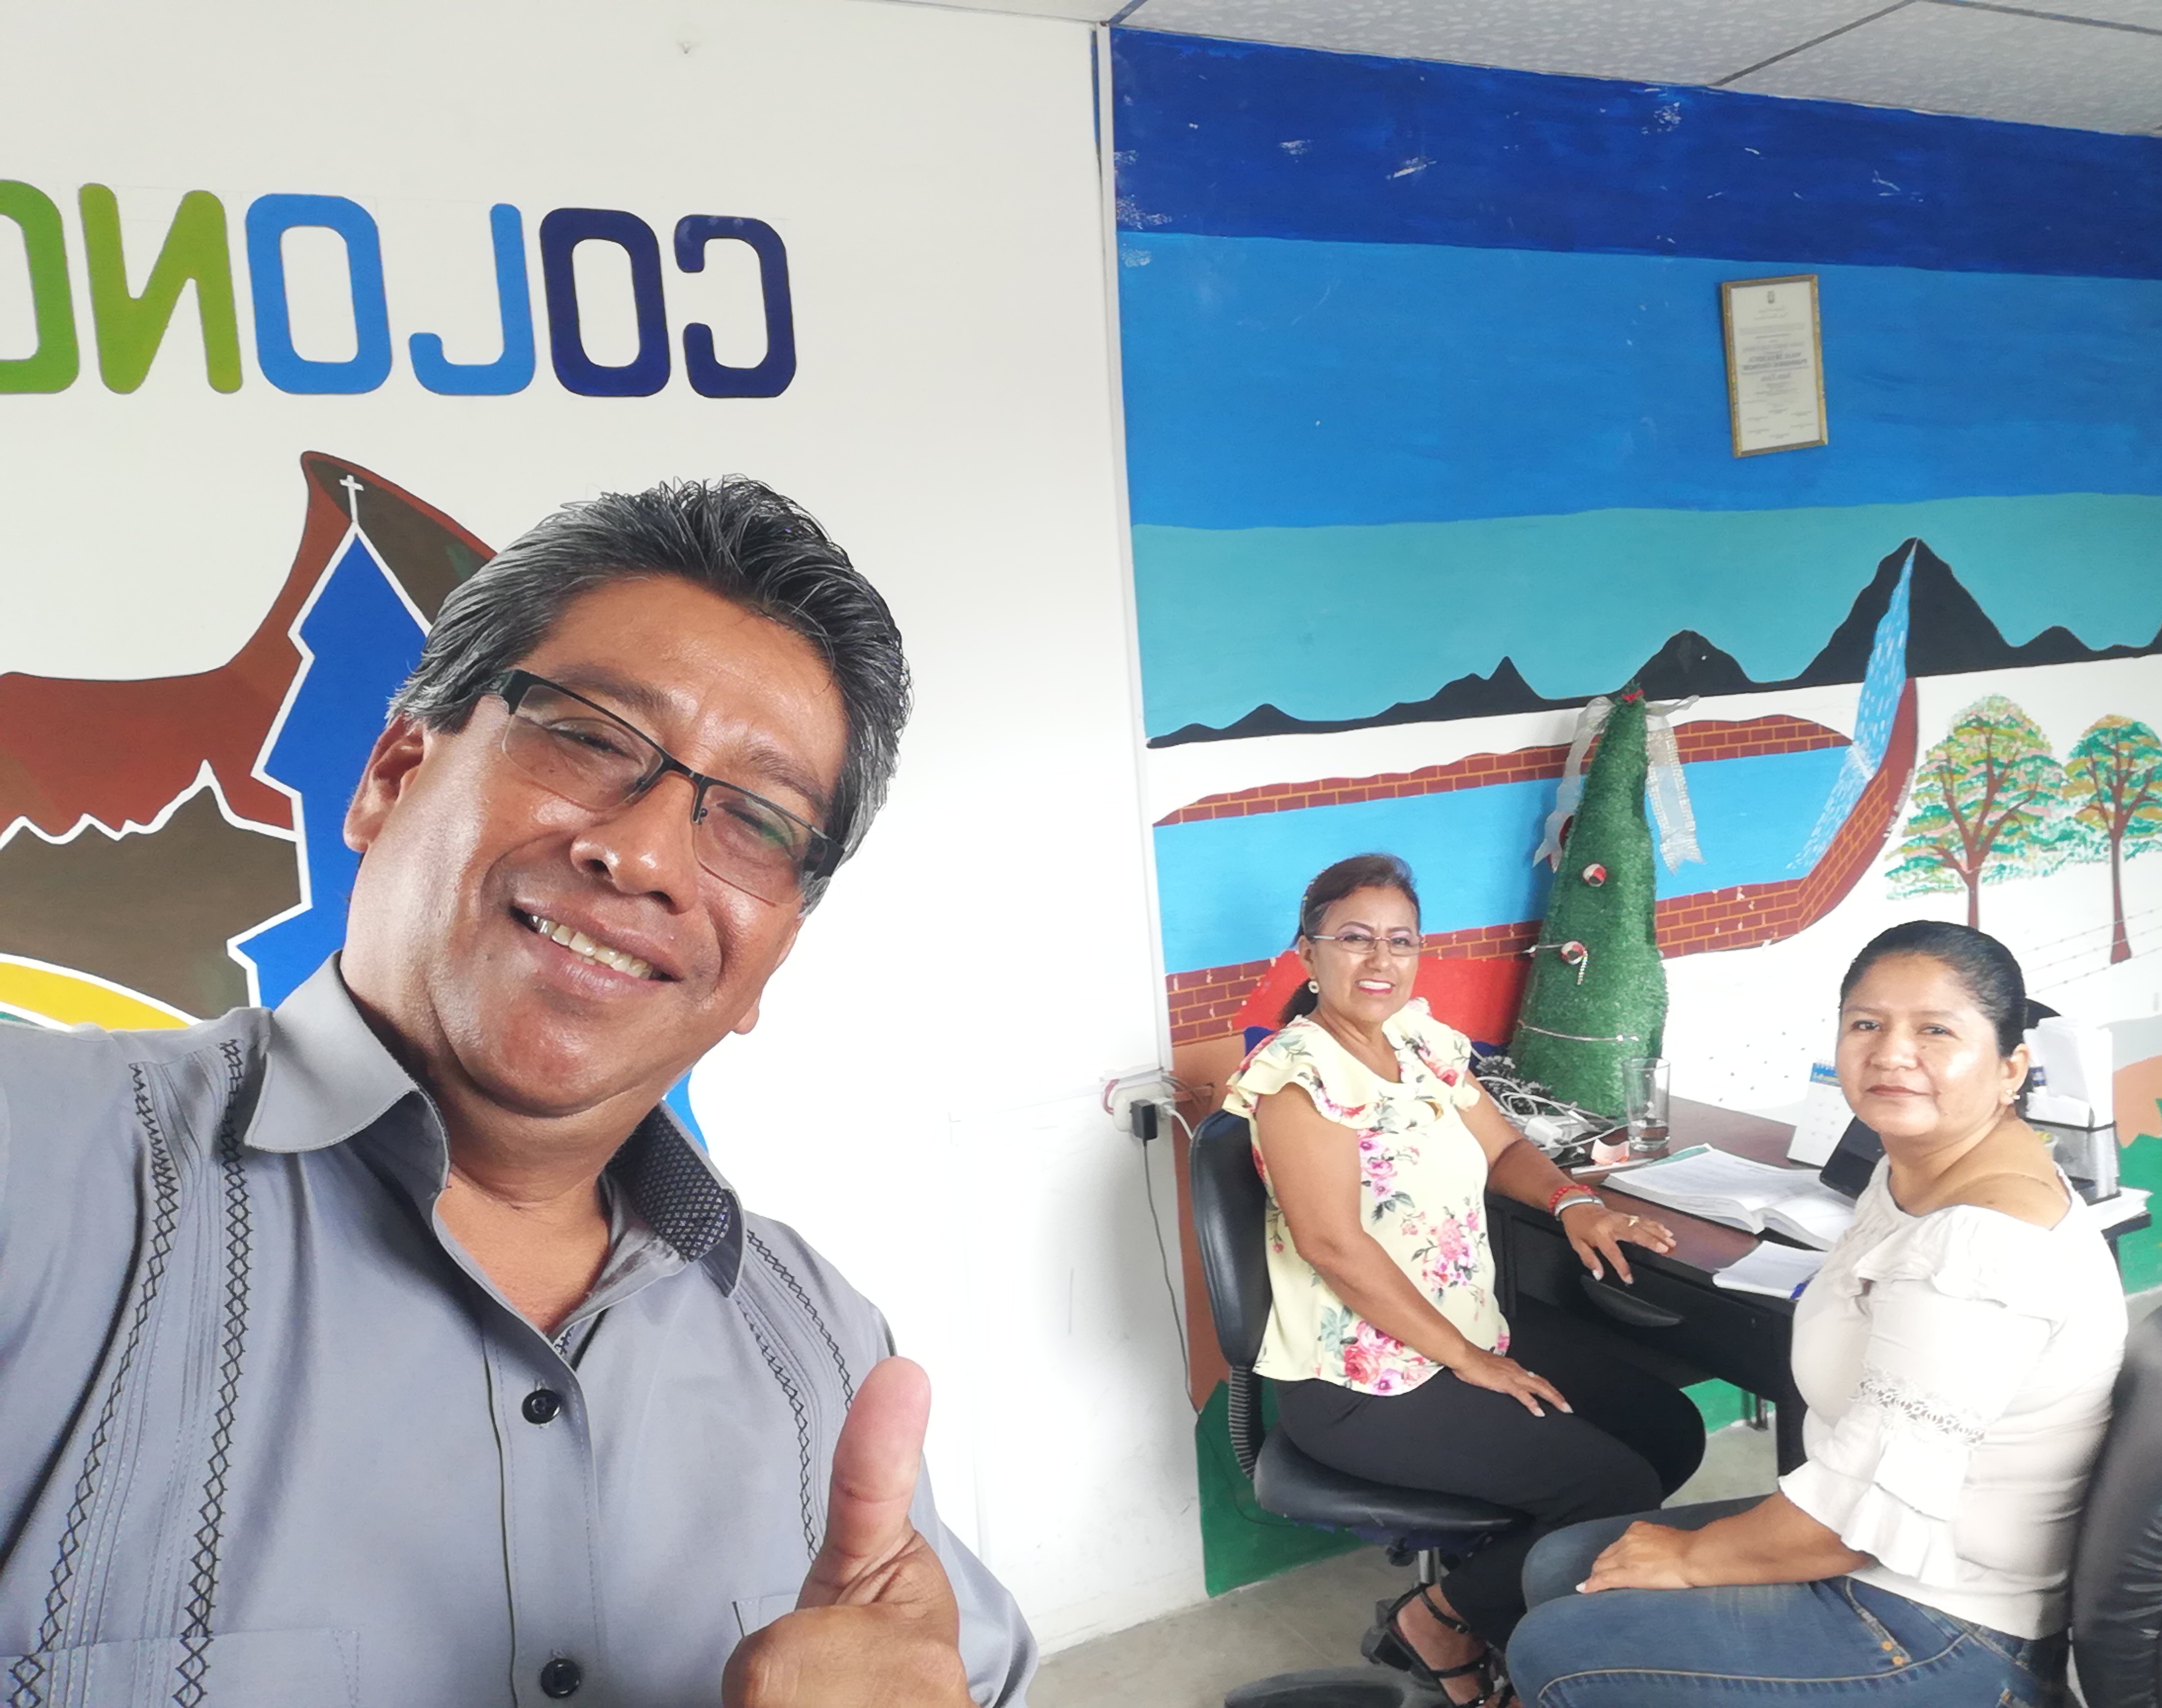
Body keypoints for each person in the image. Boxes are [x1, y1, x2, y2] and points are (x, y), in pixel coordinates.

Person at [0, 479, 1032, 1708]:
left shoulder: (824, 1342)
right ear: (393, 774)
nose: (642, 856)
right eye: (591, 738)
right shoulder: (38, 1168)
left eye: (757, 820)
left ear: (770, 959)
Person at [1505, 920, 2127, 1708]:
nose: (1892, 1053)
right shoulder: (1917, 1171)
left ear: (2012, 1070)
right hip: (1890, 1552)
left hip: (1950, 1623)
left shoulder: (1979, 1249)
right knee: (1563, 1566)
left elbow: (1846, 1527)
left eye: (1935, 1030)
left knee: (1560, 1649)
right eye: (1866, 1025)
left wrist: (1692, 1559)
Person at [1224, 854, 1706, 1708]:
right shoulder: (1301, 1078)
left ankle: (1501, 1602)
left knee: (1667, 1431)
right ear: (1308, 953)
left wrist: (1574, 1205)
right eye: (1355, 938)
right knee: (1613, 1487)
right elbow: (1333, 1246)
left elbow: (1505, 1147)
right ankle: (1444, 1618)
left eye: (1401, 940)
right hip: (1363, 1379)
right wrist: (1470, 1360)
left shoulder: (1419, 1042)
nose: (1380, 960)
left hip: (1470, 1326)